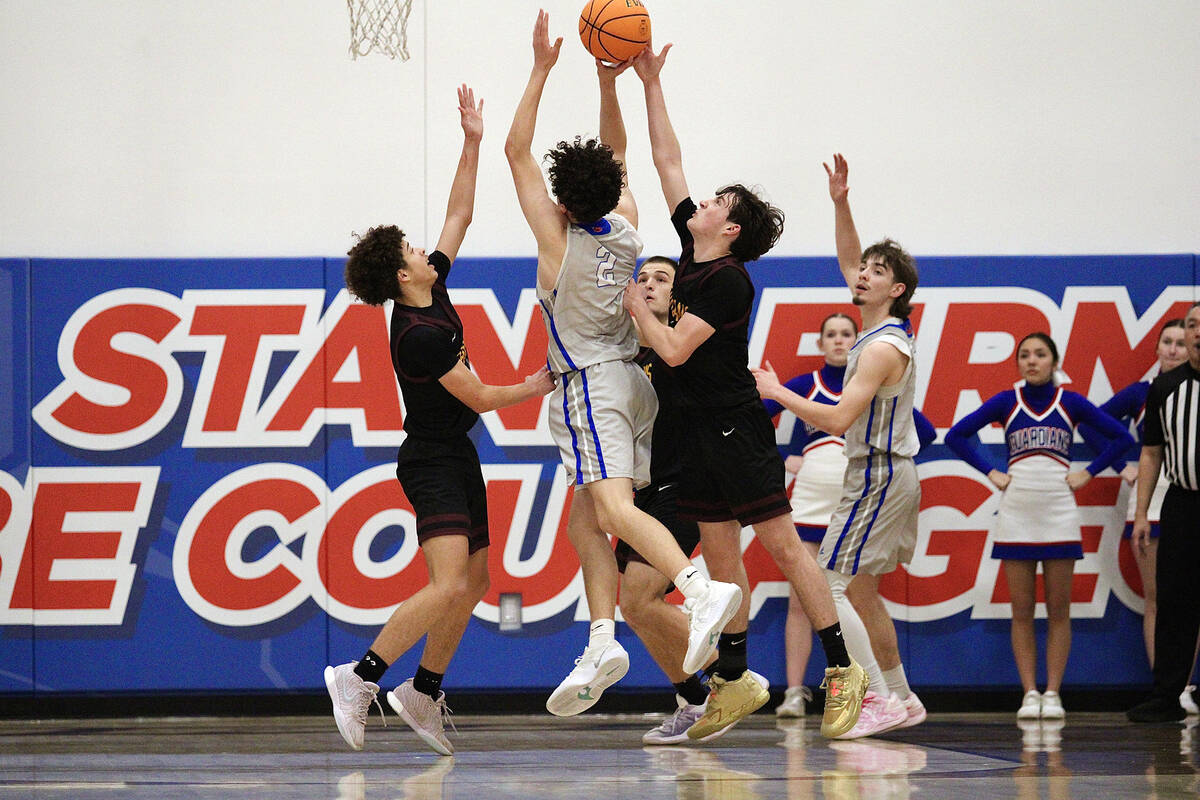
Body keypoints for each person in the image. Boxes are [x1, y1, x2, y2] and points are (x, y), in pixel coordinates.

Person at [623, 46, 866, 741]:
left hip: (734, 427)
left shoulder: (726, 279)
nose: (701, 200)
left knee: (786, 548)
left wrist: (636, 304)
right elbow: (668, 159)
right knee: (722, 562)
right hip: (695, 433)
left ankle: (841, 669)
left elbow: (670, 348)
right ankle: (730, 681)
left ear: (728, 228)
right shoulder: (692, 252)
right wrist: (652, 81)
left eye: (716, 203)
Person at [504, 12, 741, 717]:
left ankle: (700, 592)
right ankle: (603, 637)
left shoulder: (557, 238)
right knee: (586, 523)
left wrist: (542, 70)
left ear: (563, 201)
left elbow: (517, 151)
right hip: (636, 388)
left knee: (609, 509)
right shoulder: (630, 221)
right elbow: (619, 153)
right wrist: (608, 83)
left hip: (593, 385)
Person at [325, 85, 556, 755]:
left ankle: (423, 690)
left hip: (455, 455)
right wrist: (540, 382)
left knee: (477, 580)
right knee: (450, 580)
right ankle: (358, 675)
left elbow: (459, 211)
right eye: (412, 253)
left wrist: (473, 140)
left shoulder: (433, 284)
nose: (425, 251)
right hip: (429, 459)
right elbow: (481, 398)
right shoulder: (419, 332)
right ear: (401, 279)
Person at [752, 154, 929, 739]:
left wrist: (779, 391)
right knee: (857, 588)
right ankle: (901, 697)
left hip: (878, 472)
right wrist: (839, 202)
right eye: (863, 270)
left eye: (876, 272)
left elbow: (838, 417)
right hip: (880, 472)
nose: (861, 274)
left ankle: (877, 696)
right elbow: (849, 257)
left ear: (895, 288)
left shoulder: (881, 346)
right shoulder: (878, 326)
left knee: (828, 582)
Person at [945, 332, 1134, 720]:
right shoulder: (1006, 402)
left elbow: (1120, 437)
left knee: (1059, 608)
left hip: (1059, 511)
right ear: (1018, 364)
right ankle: (1029, 692)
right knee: (1021, 610)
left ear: (1054, 361)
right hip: (1017, 511)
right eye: (1025, 356)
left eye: (1040, 355)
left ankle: (1053, 692)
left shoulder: (1071, 402)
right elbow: (956, 435)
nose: (1032, 361)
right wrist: (990, 471)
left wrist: (1090, 472)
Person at [763, 311, 937, 719]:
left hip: (863, 489)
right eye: (832, 335)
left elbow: (924, 431)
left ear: (857, 341)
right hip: (812, 496)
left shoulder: (875, 381)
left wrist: (894, 458)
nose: (840, 341)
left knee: (859, 596)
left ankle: (882, 693)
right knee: (804, 598)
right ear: (821, 343)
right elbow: (757, 417)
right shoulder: (807, 384)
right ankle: (795, 691)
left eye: (847, 334)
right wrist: (781, 459)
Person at [1079, 319, 1199, 714]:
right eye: (1167, 341)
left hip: (1183, 496)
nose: (1174, 349)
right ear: (1157, 349)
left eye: (1181, 342)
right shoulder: (1149, 391)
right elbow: (1092, 423)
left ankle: (1186, 684)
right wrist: (1121, 467)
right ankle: (1170, 689)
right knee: (1162, 599)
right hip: (1164, 500)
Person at [1128, 303, 1200, 723]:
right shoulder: (1165, 387)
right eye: (1191, 325)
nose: (1197, 332)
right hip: (1184, 504)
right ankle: (1167, 695)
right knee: (1175, 602)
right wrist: (1141, 514)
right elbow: (1151, 452)